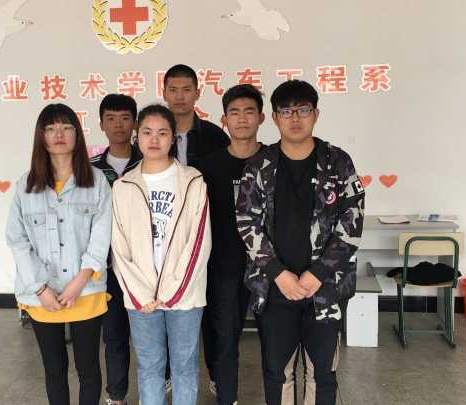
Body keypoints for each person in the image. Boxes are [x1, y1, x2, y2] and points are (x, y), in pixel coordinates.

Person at [235, 80, 365, 405]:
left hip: (326, 288)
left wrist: (318, 273)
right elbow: (246, 222)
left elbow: (352, 222)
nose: (295, 118)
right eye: (286, 111)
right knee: (277, 372)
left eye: (303, 110)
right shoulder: (259, 166)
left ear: (316, 114)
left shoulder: (338, 162)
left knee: (323, 373)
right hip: (275, 288)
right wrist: (279, 274)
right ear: (275, 118)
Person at [6, 103, 112, 405]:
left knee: (88, 369)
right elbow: (17, 239)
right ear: (41, 136)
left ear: (77, 135)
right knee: (54, 369)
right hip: (42, 294)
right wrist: (40, 288)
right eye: (51, 129)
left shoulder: (96, 182)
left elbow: (101, 236)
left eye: (66, 127)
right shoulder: (26, 185)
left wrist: (80, 281)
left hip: (85, 290)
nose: (59, 134)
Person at [111, 104, 211, 405]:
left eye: (162, 133)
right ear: (137, 137)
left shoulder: (193, 181)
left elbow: (199, 242)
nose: (154, 139)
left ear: (173, 138)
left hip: (185, 295)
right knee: (149, 367)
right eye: (147, 132)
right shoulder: (123, 186)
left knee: (184, 367)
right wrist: (141, 293)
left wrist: (172, 291)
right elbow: (118, 247)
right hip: (141, 297)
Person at [197, 84, 266, 404]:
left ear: (261, 118)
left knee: (275, 339)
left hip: (272, 266)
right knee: (224, 338)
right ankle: (227, 397)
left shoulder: (275, 160)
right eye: (234, 113)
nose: (242, 119)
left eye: (249, 111)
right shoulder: (208, 167)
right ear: (224, 120)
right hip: (224, 265)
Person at [90, 94, 142, 405]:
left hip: (145, 266)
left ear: (134, 123)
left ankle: (158, 388)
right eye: (110, 118)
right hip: (107, 267)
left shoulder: (152, 162)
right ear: (101, 124)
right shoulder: (90, 169)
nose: (118, 125)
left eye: (124, 118)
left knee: (152, 335)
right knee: (114, 335)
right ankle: (117, 395)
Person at [163, 64, 229, 167]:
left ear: (197, 94)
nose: (179, 97)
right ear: (164, 94)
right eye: (173, 90)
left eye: (186, 90)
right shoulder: (153, 137)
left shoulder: (215, 136)